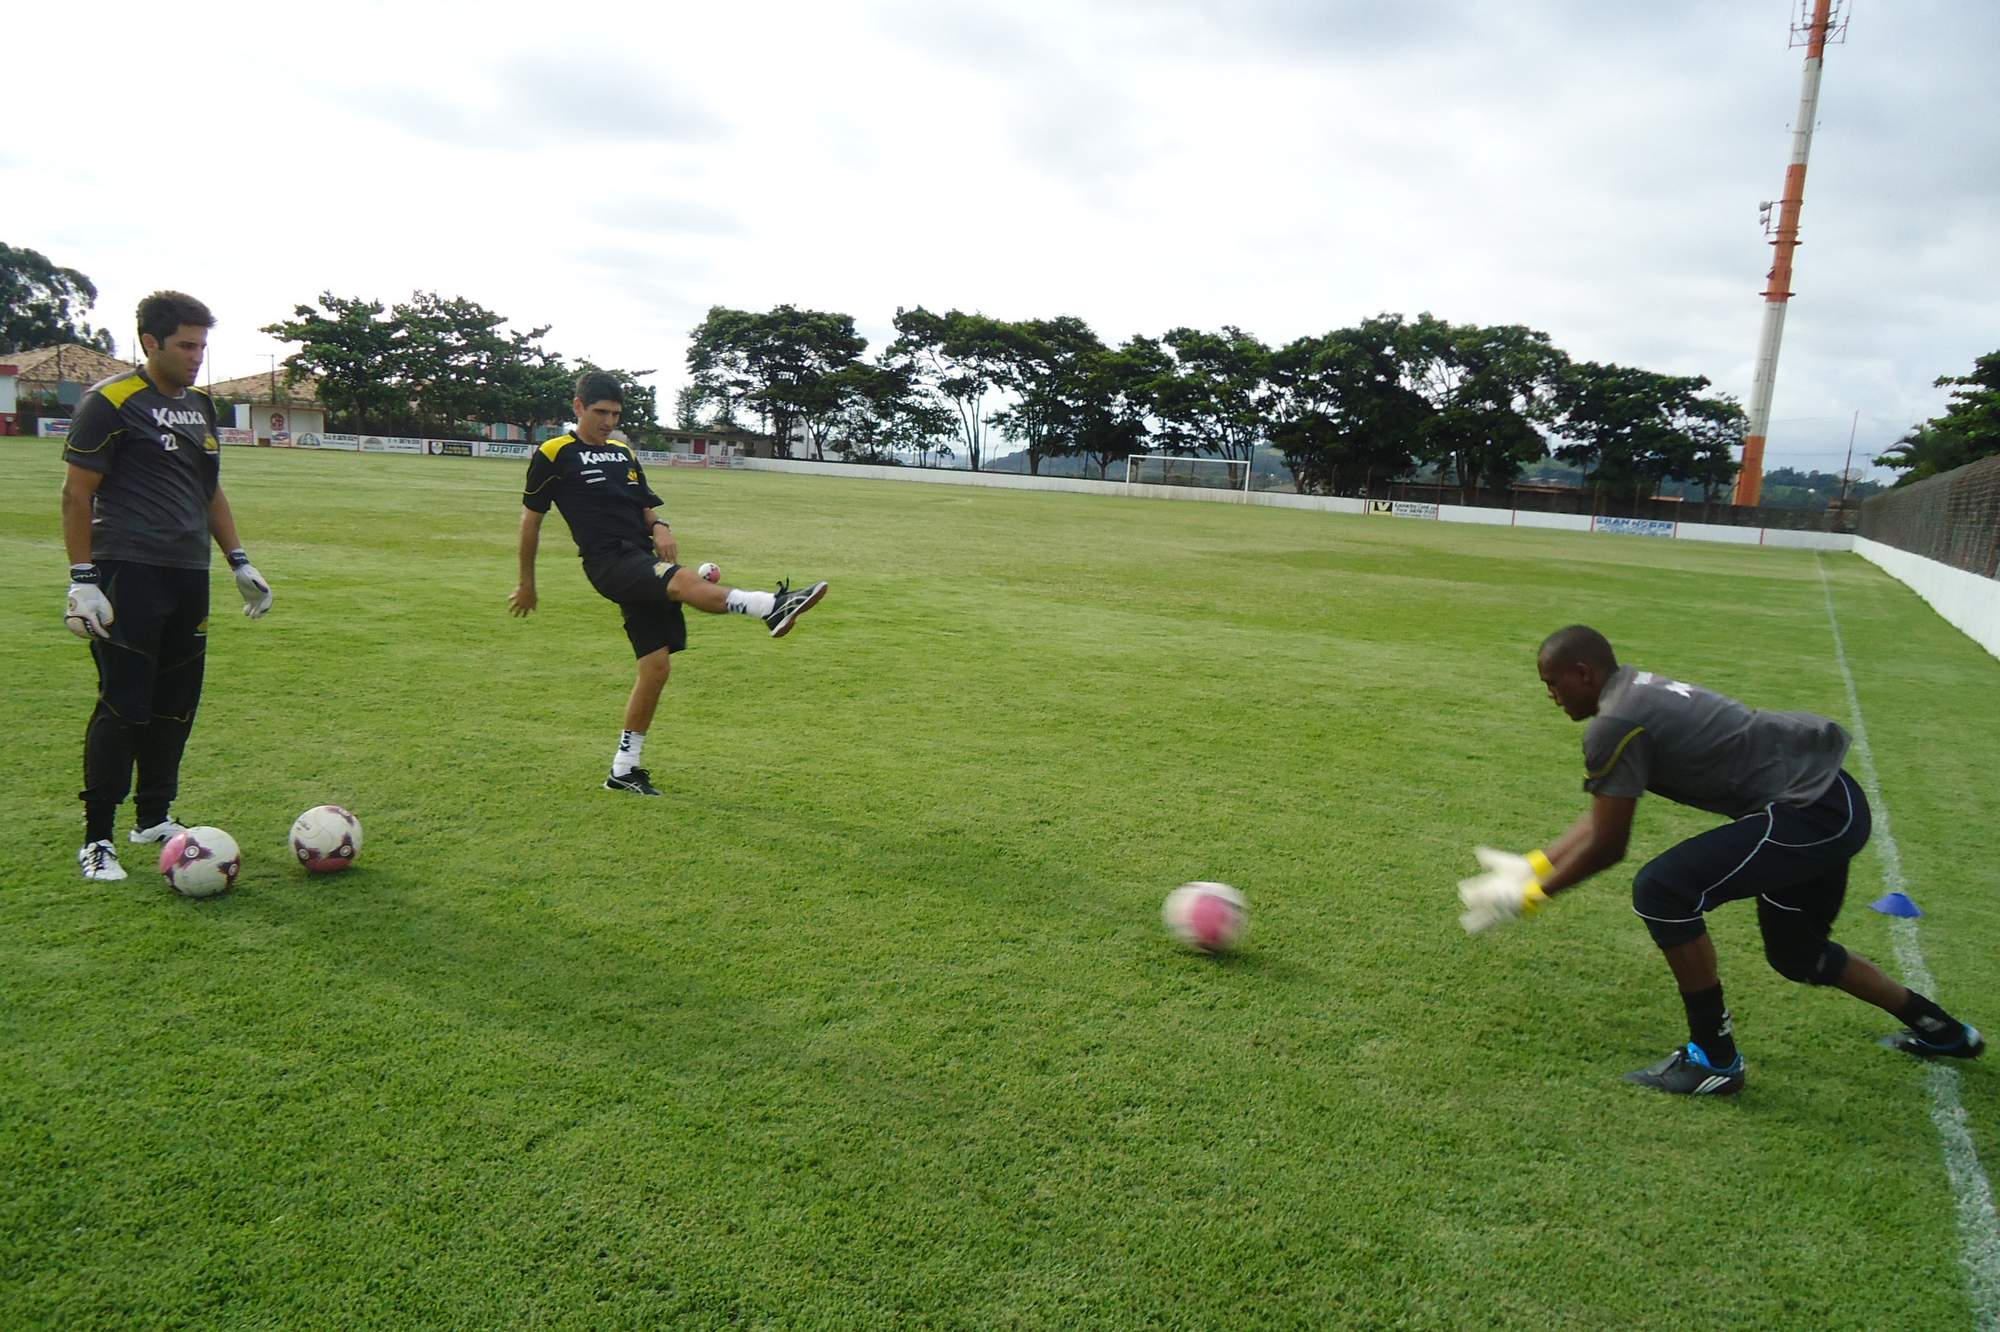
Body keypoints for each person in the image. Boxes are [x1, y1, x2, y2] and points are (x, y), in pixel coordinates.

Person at [1457, 624, 1982, 1095]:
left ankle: (1714, 1057)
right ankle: (1943, 1030)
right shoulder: (1633, 687)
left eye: (1553, 683)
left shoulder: (1613, 724)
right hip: (1830, 800)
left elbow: (1608, 845)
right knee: (1798, 954)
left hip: (1809, 813)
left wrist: (1526, 896)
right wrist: (1535, 865)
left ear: (1583, 672)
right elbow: (1601, 822)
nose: (1550, 696)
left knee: (1662, 891)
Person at [507, 371, 827, 796]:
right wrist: (527, 584)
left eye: (616, 414)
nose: (608, 422)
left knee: (656, 668)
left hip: (641, 553)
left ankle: (623, 769)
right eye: (600, 412)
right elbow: (531, 521)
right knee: (682, 582)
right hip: (608, 562)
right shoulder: (555, 452)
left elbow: (645, 505)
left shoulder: (623, 453)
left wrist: (661, 526)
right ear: (579, 407)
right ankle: (771, 606)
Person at [61, 291, 273, 882]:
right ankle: (97, 839)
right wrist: (83, 581)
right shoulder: (110, 402)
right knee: (124, 705)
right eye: (185, 345)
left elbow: (208, 490)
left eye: (202, 344)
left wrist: (238, 560)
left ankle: (153, 817)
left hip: (188, 574)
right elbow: (77, 494)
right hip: (127, 572)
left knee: (175, 705)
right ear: (149, 343)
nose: (196, 356)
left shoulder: (202, 406)